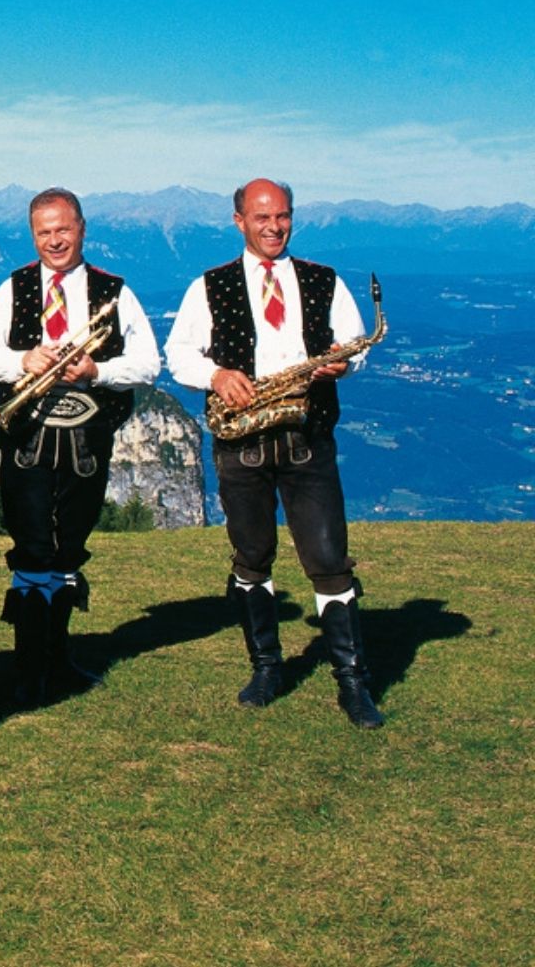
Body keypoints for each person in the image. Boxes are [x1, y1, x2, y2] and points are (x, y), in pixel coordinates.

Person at [164, 177, 384, 728]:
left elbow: (354, 345)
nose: (274, 227)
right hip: (243, 441)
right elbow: (178, 353)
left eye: (282, 216)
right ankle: (266, 668)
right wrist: (216, 375)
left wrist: (343, 363)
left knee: (329, 560)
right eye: (262, 217)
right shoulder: (208, 286)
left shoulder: (324, 280)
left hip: (308, 439)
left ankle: (352, 682)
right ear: (239, 221)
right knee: (251, 556)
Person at [0, 188, 161, 705]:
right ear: (34, 235)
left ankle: (57, 660)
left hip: (87, 442)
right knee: (32, 548)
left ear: (81, 229)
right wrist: (22, 361)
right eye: (44, 232)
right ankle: (30, 668)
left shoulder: (114, 292)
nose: (54, 241)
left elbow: (149, 363)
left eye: (63, 230)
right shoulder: (14, 289)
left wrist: (98, 370)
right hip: (26, 441)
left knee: (69, 547)